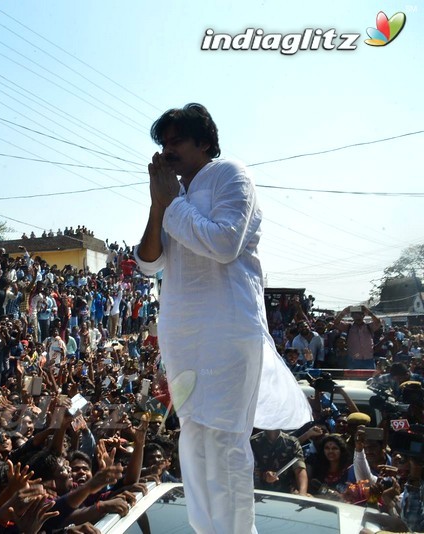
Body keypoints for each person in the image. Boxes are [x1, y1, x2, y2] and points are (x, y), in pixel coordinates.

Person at [134, 103, 310, 533]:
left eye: (177, 141)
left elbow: (225, 243)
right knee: (193, 436)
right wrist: (161, 204)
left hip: (229, 329)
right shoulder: (172, 194)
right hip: (181, 331)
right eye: (164, 143)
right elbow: (147, 261)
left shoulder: (231, 173)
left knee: (226, 440)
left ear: (205, 142)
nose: (168, 150)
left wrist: (171, 203)